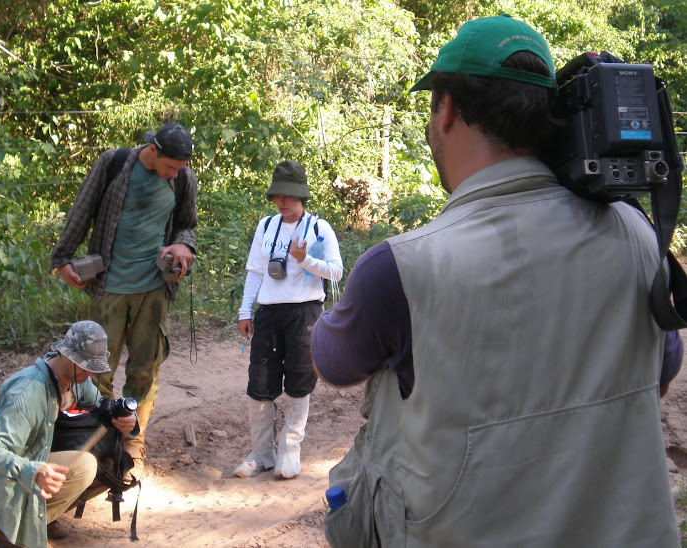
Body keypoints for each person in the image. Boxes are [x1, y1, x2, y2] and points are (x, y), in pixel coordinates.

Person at [312, 14, 682, 547]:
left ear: (449, 112)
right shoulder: (637, 235)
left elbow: (333, 361)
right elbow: (661, 371)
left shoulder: (401, 268)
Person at [50, 122, 198, 473]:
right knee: (94, 369)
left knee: (145, 369)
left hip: (154, 290)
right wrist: (62, 259)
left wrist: (183, 245)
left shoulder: (183, 178)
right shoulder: (114, 164)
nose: (175, 173)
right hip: (109, 289)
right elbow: (81, 210)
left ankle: (133, 442)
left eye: (180, 168)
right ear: (154, 151)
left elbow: (187, 224)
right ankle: (97, 441)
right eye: (171, 166)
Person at [0, 320, 138, 548]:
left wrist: (127, 419)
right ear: (64, 354)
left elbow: (102, 406)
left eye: (94, 366)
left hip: (41, 457)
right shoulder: (27, 392)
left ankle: (44, 516)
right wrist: (33, 471)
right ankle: (13, 528)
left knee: (115, 462)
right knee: (84, 465)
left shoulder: (76, 378)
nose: (89, 372)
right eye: (84, 365)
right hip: (13, 476)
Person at [235, 160, 343, 479]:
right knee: (260, 381)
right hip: (269, 312)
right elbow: (255, 271)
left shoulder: (318, 228)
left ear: (302, 196)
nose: (282, 201)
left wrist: (305, 260)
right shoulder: (267, 226)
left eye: (289, 195)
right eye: (277, 195)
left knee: (299, 379)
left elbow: (336, 271)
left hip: (305, 311)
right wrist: (245, 311)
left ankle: (290, 450)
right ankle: (261, 453)